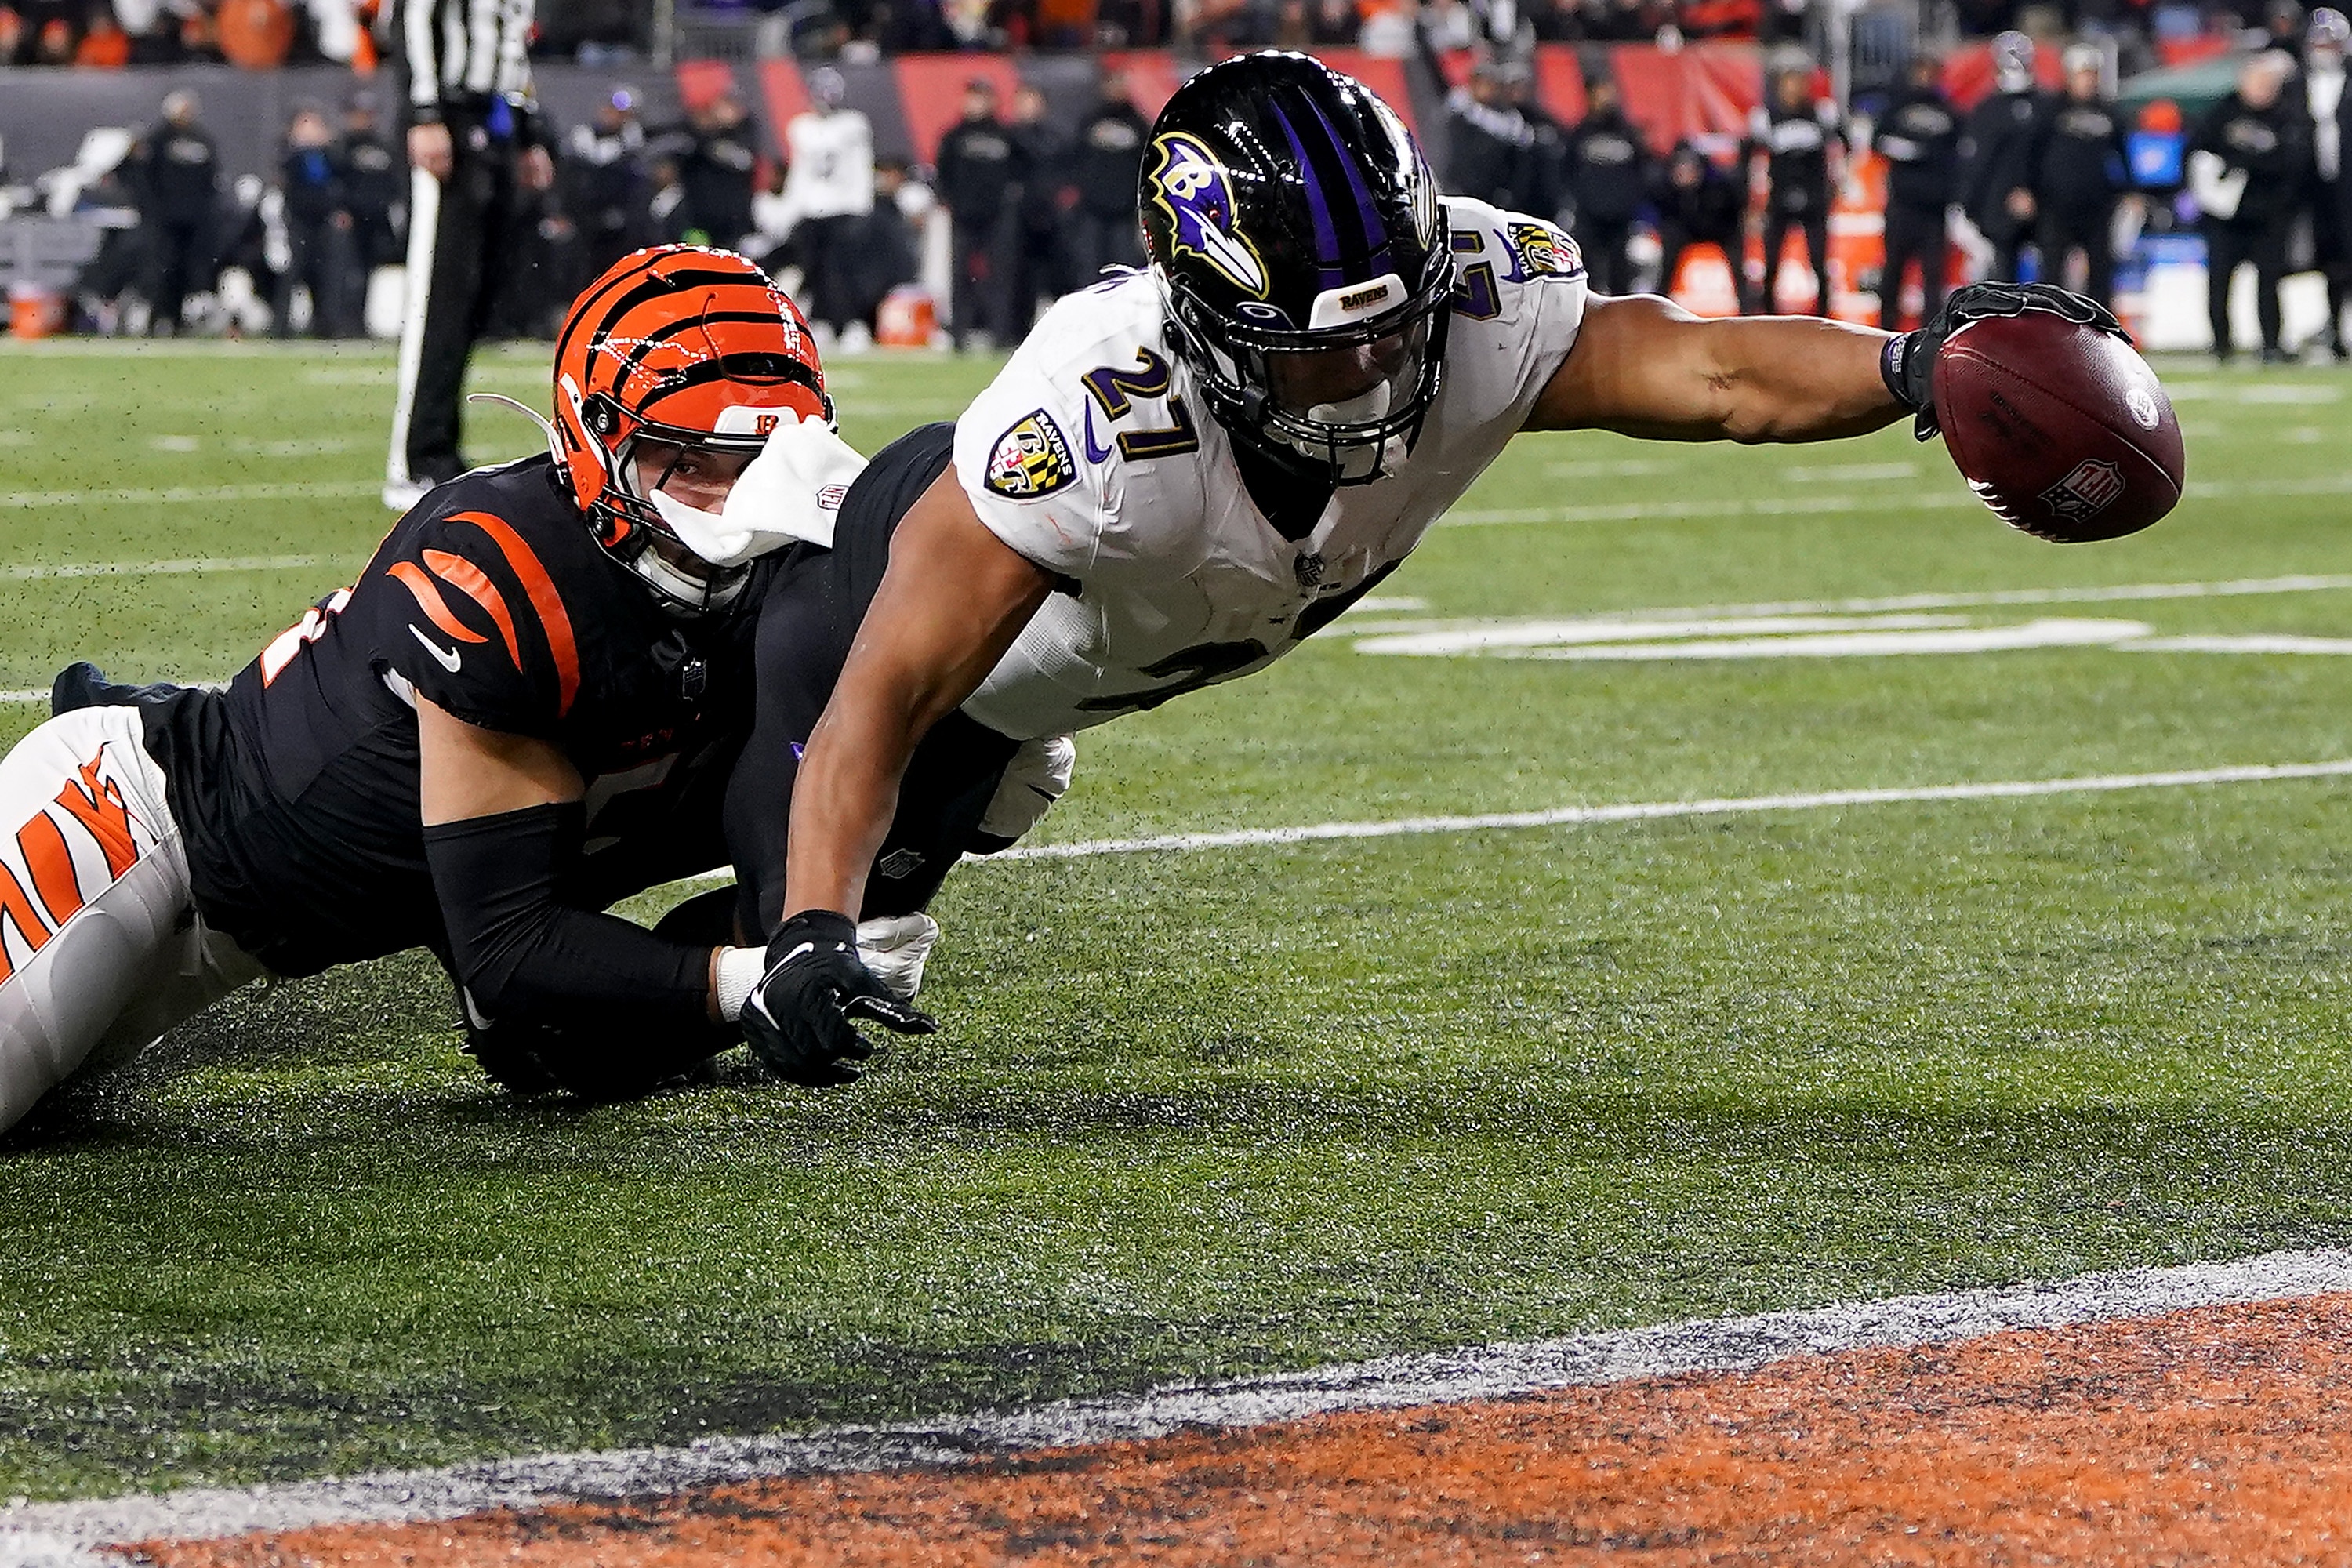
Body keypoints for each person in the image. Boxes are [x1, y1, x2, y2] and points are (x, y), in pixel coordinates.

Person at [717, 52, 2125, 1086]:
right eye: (1320, 349)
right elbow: (878, 699)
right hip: (866, 613)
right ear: (1204, 319)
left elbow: (1709, 371)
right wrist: (812, 922)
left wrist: (1910, 366)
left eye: (1391, 331)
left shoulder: (1466, 295)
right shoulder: (1091, 422)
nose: (1371, 374)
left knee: (900, 878)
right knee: (770, 975)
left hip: (1071, 666)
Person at [0, 248, 865, 1140]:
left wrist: (826, 923)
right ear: (597, 440)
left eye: (757, 459)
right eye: (687, 461)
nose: (731, 503)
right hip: (139, 831)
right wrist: (749, 980)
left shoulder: (799, 575)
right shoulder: (500, 569)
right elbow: (509, 946)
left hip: (246, 937)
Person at [384, 0, 557, 511]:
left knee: (471, 298)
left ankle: (440, 449)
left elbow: (513, 38)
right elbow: (413, 16)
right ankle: (415, 459)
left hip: (496, 118)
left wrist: (528, 132)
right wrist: (424, 112)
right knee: (437, 296)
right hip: (451, 113)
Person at [2191, 51, 2310, 363]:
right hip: (2225, 215)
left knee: (2269, 282)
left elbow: (2292, 165)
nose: (2263, 90)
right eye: (2257, 82)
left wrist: (2252, 167)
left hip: (2268, 214)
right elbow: (2196, 155)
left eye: (2269, 84)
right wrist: (2215, 189)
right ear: (2243, 82)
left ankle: (2271, 343)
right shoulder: (2222, 112)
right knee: (2219, 281)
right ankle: (2220, 344)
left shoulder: (2286, 117)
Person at [780, 66, 877, 343]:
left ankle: (851, 324)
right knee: (814, 270)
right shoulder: (801, 127)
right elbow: (799, 171)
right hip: (812, 209)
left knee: (845, 272)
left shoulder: (853, 125)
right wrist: (791, 208)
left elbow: (861, 167)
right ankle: (822, 321)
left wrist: (862, 205)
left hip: (843, 207)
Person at [2030, 45, 2129, 309]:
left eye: (2092, 74)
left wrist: (2129, 189)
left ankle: (2099, 326)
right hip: (2056, 203)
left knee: (2101, 270)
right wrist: (2027, 188)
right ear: (2069, 75)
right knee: (2052, 272)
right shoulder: (2050, 110)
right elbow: (2032, 153)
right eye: (2082, 74)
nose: (2088, 80)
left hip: (2097, 204)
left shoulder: (2108, 112)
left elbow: (2122, 154)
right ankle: (2049, 322)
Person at [1873, 52, 1962, 329]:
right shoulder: (1896, 107)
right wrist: (1907, 150)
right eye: (1920, 71)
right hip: (1902, 205)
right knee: (1893, 273)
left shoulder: (1949, 111)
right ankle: (1885, 332)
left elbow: (1959, 154)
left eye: (1930, 72)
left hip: (1934, 209)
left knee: (1933, 279)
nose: (1925, 78)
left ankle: (1931, 335)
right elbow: (1878, 141)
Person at [934, 78, 1022, 350]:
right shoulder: (953, 136)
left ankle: (1000, 334)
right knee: (960, 275)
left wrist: (1011, 199)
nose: (976, 103)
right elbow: (942, 173)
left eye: (982, 98)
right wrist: (948, 199)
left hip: (999, 216)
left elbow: (1020, 172)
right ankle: (959, 333)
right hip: (964, 215)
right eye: (972, 97)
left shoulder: (1007, 136)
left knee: (1001, 275)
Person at [1747, 64, 1842, 315]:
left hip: (1815, 198)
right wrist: (1753, 201)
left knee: (1819, 262)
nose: (1794, 90)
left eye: (1799, 83)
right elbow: (1749, 157)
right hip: (1779, 198)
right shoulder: (1765, 117)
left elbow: (1844, 144)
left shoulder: (1822, 113)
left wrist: (1837, 182)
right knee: (1770, 264)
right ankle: (1767, 317)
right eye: (1789, 84)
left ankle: (1825, 317)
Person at [129, 89, 220, 336]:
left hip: (192, 219)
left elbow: (211, 178)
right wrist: (151, 209)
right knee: (161, 268)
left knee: (185, 269)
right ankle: (157, 319)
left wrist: (204, 210)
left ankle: (177, 319)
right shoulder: (157, 139)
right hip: (164, 219)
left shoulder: (202, 139)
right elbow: (143, 178)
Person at [1959, 31, 2046, 284]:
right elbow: (1978, 162)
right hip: (1997, 207)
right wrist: (1967, 204)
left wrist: (2031, 190)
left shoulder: (2045, 106)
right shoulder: (1987, 109)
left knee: (2050, 275)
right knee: (2001, 277)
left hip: (2043, 205)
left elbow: (2052, 158)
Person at [1563, 74, 1650, 297]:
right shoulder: (1580, 133)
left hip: (1620, 215)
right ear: (1590, 97)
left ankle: (1621, 314)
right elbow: (1568, 171)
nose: (1606, 98)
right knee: (1587, 271)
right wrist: (1581, 201)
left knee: (1620, 272)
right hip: (1589, 215)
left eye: (1609, 92)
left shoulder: (1628, 133)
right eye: (1601, 92)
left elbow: (1641, 170)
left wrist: (1629, 202)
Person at [275, 102, 354, 338]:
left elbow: (342, 177)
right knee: (292, 273)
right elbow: (287, 176)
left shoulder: (330, 154)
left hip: (325, 221)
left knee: (329, 275)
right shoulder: (291, 154)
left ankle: (327, 325)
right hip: (298, 221)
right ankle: (281, 326)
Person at [2299, 8, 2352, 356]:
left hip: (2348, 187)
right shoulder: (2296, 86)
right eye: (2319, 43)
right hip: (2314, 190)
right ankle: (2333, 331)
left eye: (2330, 43)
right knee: (2328, 263)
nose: (2323, 49)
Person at [1005, 84, 1076, 338]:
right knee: (1018, 279)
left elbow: (1069, 175)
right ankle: (1016, 332)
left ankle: (1063, 330)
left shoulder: (1056, 139)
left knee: (1058, 278)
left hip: (1052, 220)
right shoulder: (1007, 139)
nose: (1028, 108)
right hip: (1018, 219)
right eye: (1024, 102)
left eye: (1033, 102)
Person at [1070, 68, 1151, 284]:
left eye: (1119, 83)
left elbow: (1147, 165)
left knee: (1125, 270)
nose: (1115, 89)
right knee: (1089, 267)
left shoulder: (1139, 124)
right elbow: (1076, 159)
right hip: (1092, 209)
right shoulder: (1090, 120)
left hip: (1125, 212)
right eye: (1111, 83)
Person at [564, 89, 650, 284]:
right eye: (611, 109)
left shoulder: (635, 153)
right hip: (582, 229)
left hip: (618, 235)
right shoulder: (578, 144)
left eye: (623, 114)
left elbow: (637, 196)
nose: (614, 116)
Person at [337, 93, 406, 323]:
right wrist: (343, 209)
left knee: (374, 271)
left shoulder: (384, 147)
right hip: (353, 219)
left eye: (367, 114)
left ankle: (367, 321)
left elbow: (395, 183)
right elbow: (337, 183)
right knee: (350, 272)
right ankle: (347, 320)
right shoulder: (341, 148)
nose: (363, 119)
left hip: (380, 218)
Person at [1653, 140, 1744, 300]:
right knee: (1669, 250)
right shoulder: (1666, 190)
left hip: (1719, 229)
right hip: (1685, 230)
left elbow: (1734, 210)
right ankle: (1660, 301)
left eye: (1688, 170)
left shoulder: (1718, 187)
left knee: (1737, 257)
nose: (1684, 175)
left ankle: (1747, 304)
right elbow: (1662, 214)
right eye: (1680, 171)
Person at [1443, 59, 1535, 211]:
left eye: (1491, 85)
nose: (1487, 90)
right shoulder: (1460, 115)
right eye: (1483, 84)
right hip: (1461, 187)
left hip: (1494, 191)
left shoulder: (1510, 118)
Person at [673, 90, 760, 249]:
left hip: (735, 220)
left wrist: (712, 141)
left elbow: (743, 162)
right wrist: (701, 135)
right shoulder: (690, 141)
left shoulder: (743, 135)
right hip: (700, 220)